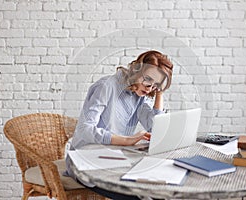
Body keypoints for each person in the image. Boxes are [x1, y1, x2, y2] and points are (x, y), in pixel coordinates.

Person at [65, 50, 173, 199]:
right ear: (137, 70)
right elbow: (85, 130)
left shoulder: (139, 93)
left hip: (116, 158)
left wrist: (159, 93)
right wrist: (127, 141)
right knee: (142, 196)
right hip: (85, 161)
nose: (149, 88)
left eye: (155, 85)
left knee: (158, 192)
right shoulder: (106, 86)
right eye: (148, 79)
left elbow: (154, 127)